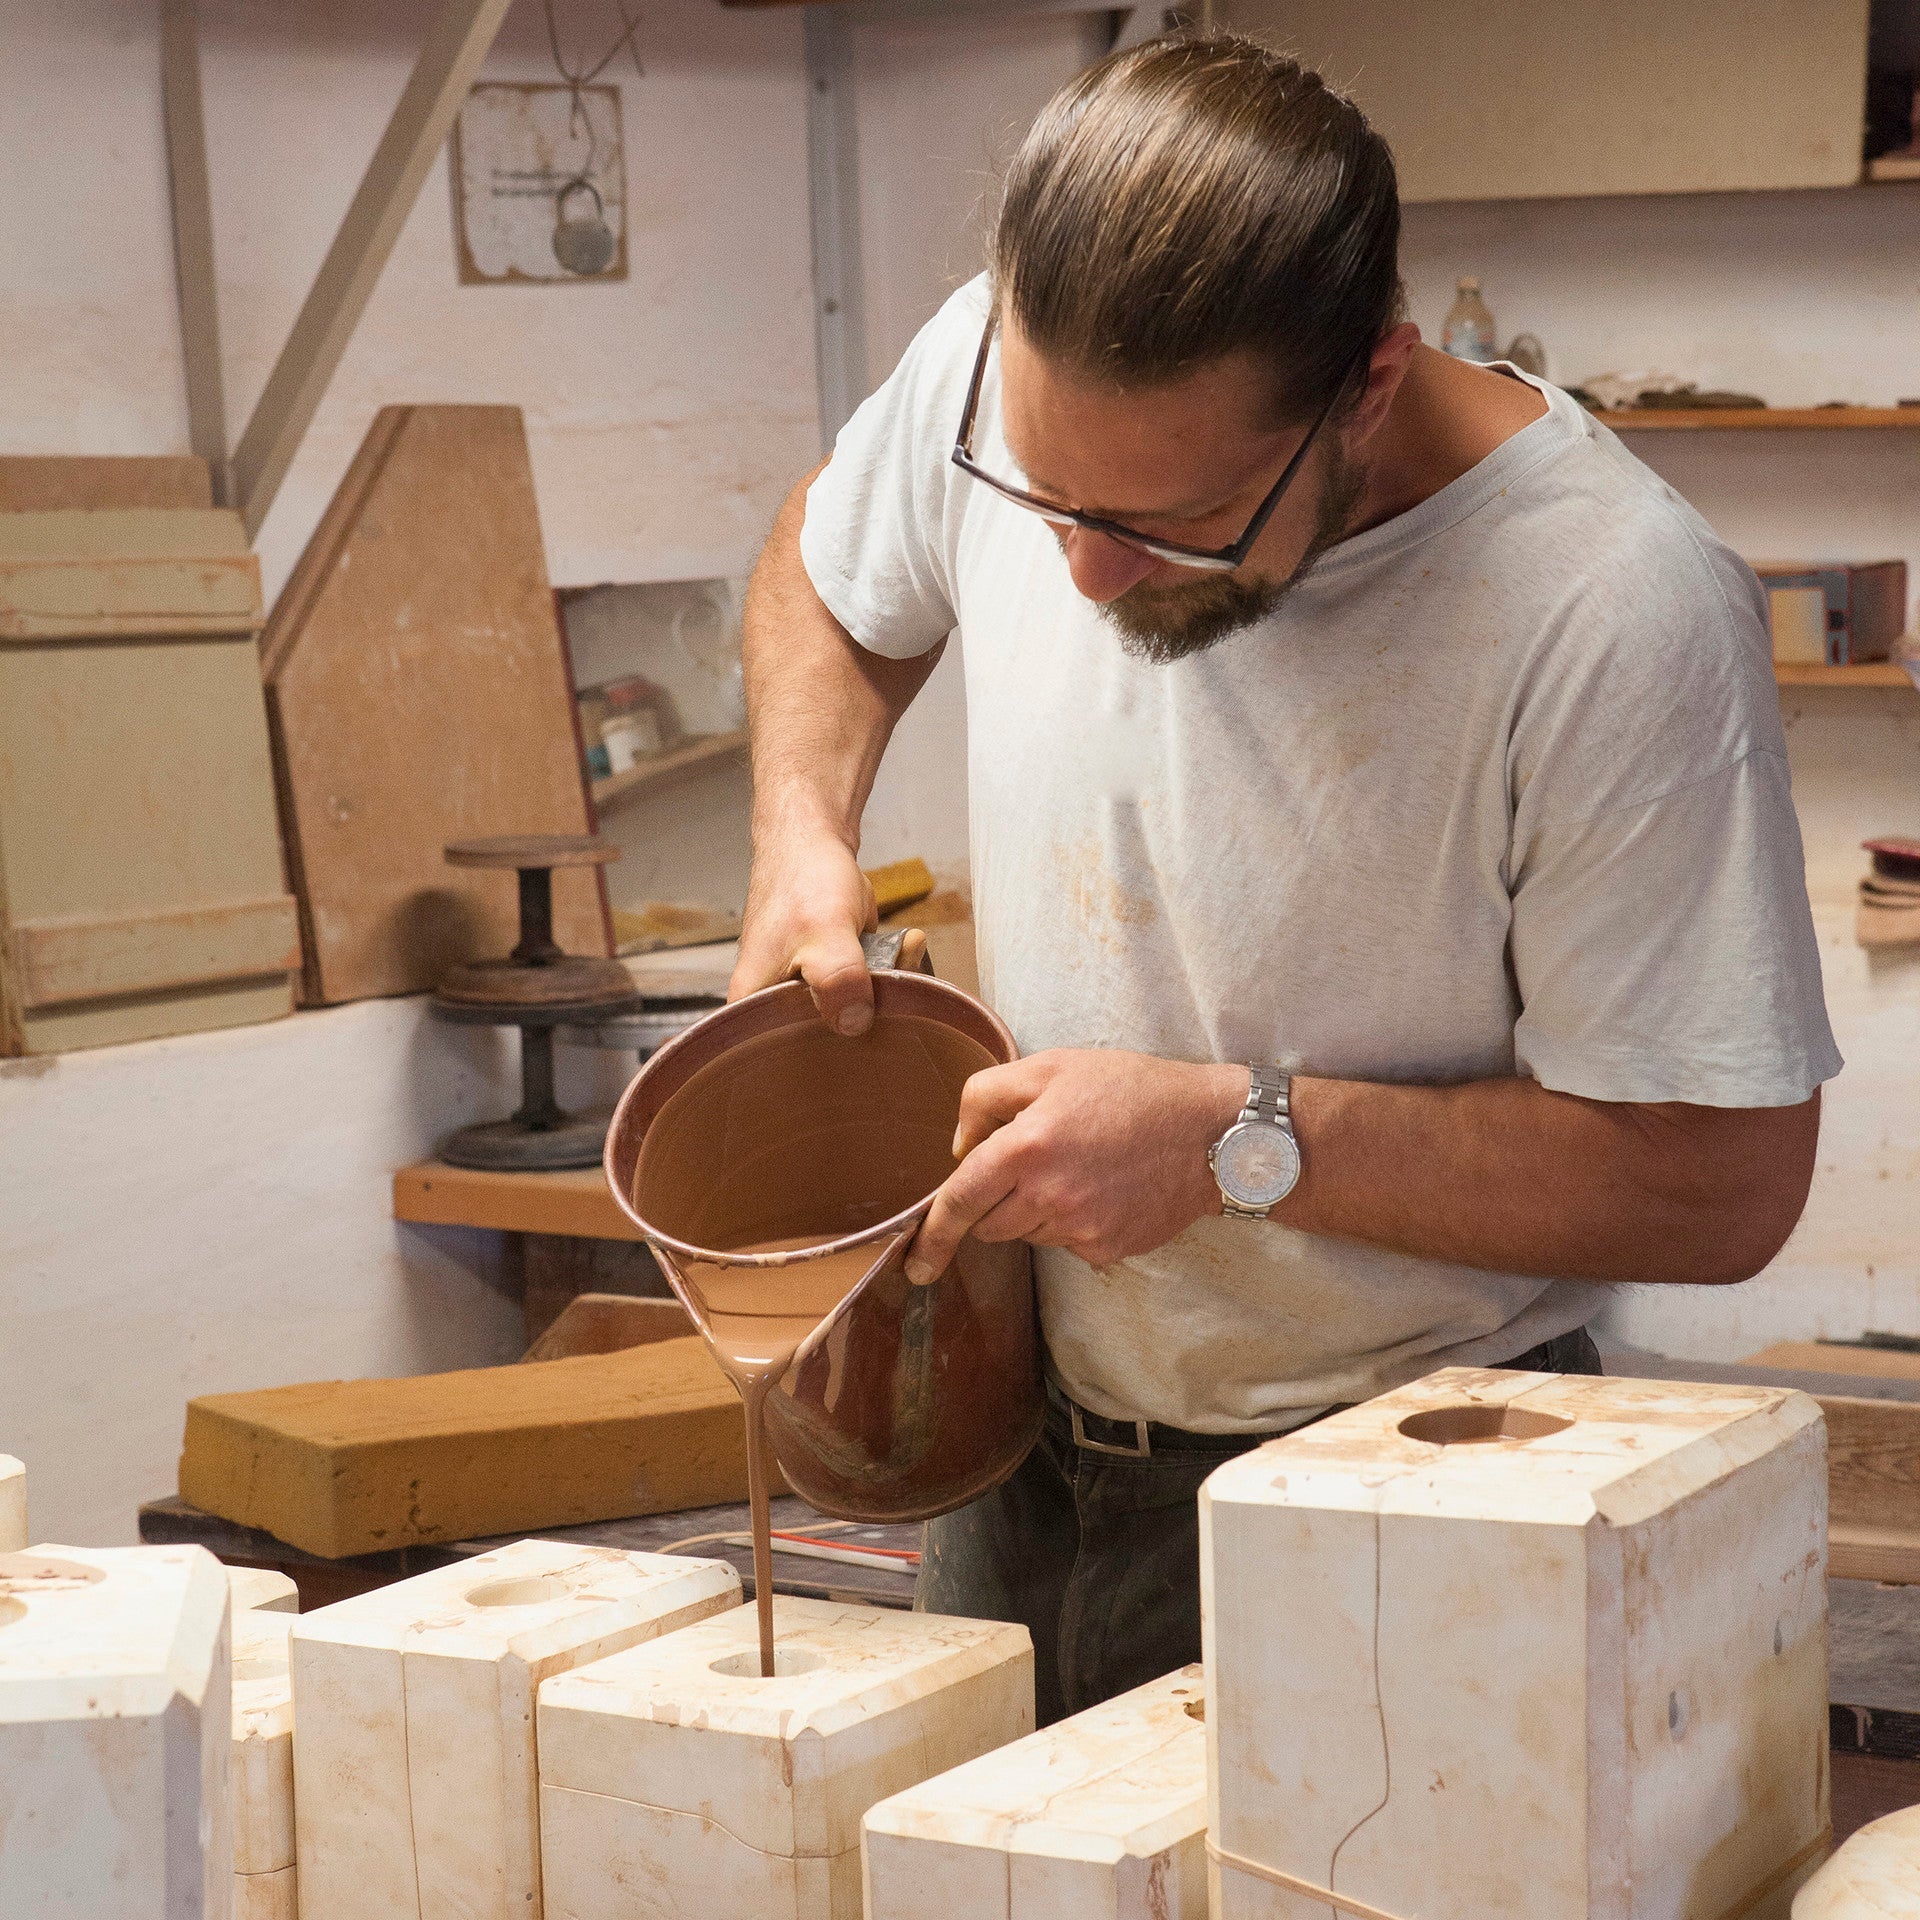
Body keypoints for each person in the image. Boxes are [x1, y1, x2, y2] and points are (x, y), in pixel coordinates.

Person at [729, 33, 1840, 1724]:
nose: (1084, 576)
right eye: (1041, 496)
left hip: (1411, 1492)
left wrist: (1232, 1138)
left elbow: (1725, 1181)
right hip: (1022, 1462)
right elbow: (830, 578)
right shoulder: (994, 368)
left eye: (1171, 527)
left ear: (1372, 383)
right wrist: (800, 829)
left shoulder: (1611, 609)